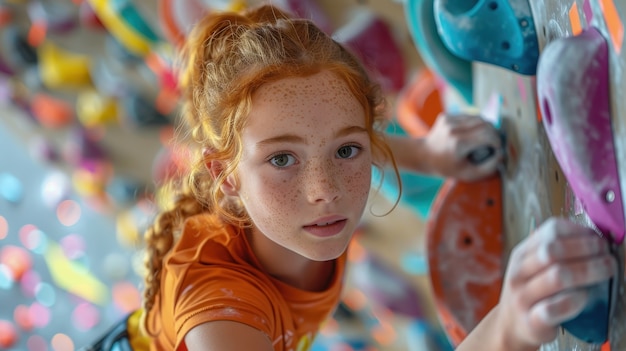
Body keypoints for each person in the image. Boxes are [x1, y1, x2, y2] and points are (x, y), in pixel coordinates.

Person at [113, 4, 615, 351]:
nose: (325, 190)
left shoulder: (285, 194)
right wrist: (507, 327)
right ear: (225, 177)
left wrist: (428, 154)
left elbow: (324, 138)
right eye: (282, 160)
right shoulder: (218, 318)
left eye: (346, 150)